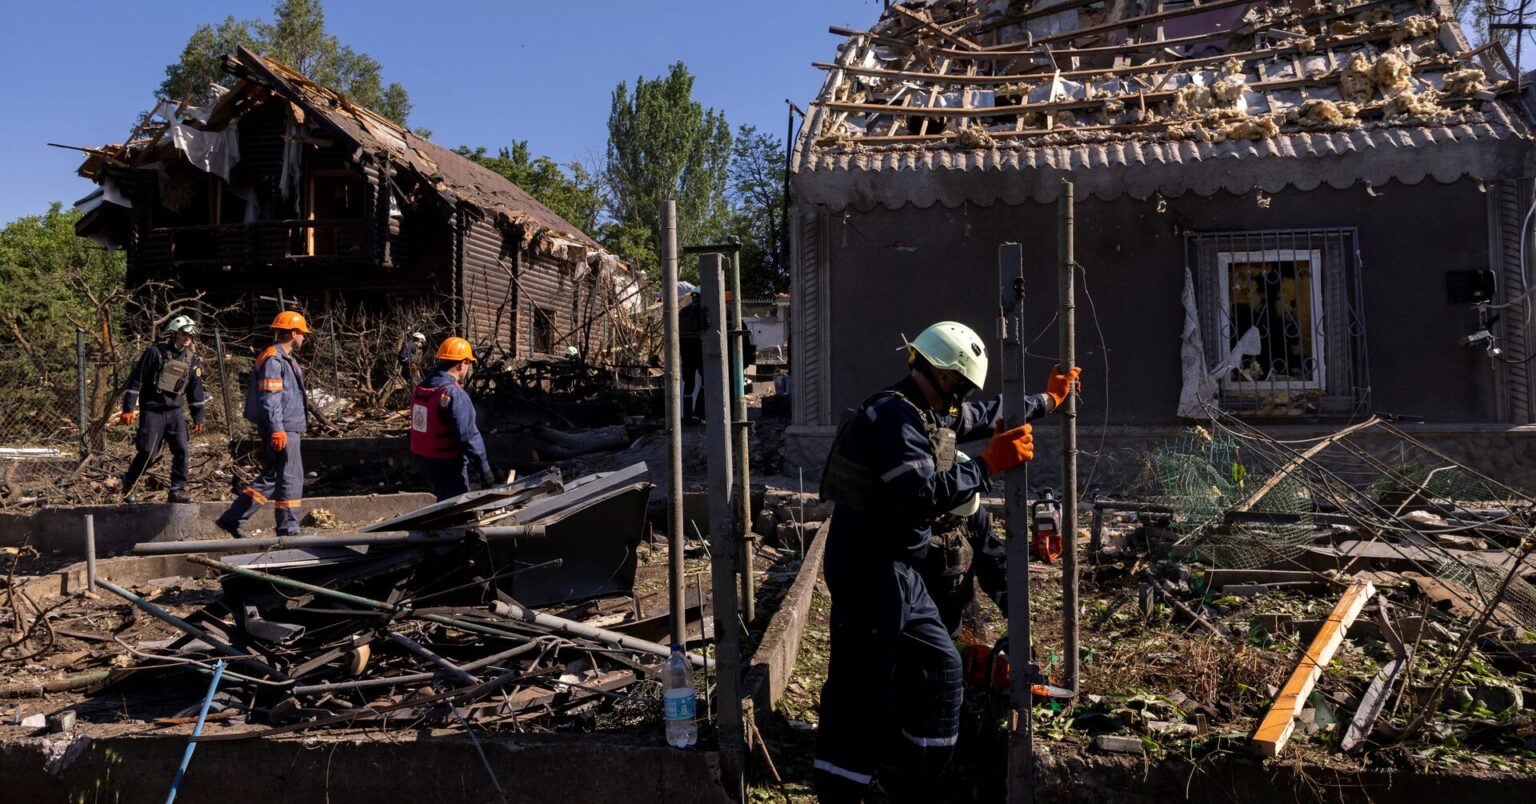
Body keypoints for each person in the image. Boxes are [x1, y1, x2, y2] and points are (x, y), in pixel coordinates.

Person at [813, 320, 1081, 801]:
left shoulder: (925, 412)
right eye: (961, 386)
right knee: (860, 685)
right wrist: (987, 465)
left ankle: (919, 780)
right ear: (943, 376)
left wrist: (1049, 401)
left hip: (901, 570)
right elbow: (918, 495)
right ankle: (841, 788)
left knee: (943, 668)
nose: (962, 399)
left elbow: (987, 414)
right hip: (869, 568)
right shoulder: (893, 417)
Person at [215, 311, 310, 537]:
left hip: (285, 426)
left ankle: (232, 518)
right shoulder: (274, 359)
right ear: (294, 333)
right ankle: (288, 527)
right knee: (290, 477)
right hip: (283, 427)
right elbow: (270, 398)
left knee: (273, 477)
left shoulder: (284, 359)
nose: (304, 338)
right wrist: (278, 429)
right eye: (303, 334)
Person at [915, 452, 1007, 640]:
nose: (953, 519)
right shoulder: (906, 518)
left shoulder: (972, 516)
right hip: (905, 630)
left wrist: (1017, 616)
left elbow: (995, 566)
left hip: (952, 618)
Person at [119, 315, 208, 504]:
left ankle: (177, 489)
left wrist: (198, 417)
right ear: (174, 334)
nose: (187, 339)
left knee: (182, 449)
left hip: (175, 412)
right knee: (148, 451)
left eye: (190, 336)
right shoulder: (155, 353)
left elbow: (195, 390)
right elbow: (137, 379)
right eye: (184, 335)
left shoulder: (192, 360)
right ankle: (129, 482)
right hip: (153, 410)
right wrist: (128, 408)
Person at [409, 336, 493, 501]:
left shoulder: (421, 388)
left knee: (440, 497)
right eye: (469, 364)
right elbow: (469, 436)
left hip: (422, 458)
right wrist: (485, 471)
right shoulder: (454, 394)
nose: (468, 368)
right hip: (445, 462)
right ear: (462, 363)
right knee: (454, 507)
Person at [678, 291, 705, 423]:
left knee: (688, 384)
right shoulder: (703, 310)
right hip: (699, 349)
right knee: (705, 381)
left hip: (685, 351)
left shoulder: (683, 311)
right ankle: (699, 412)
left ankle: (687, 415)